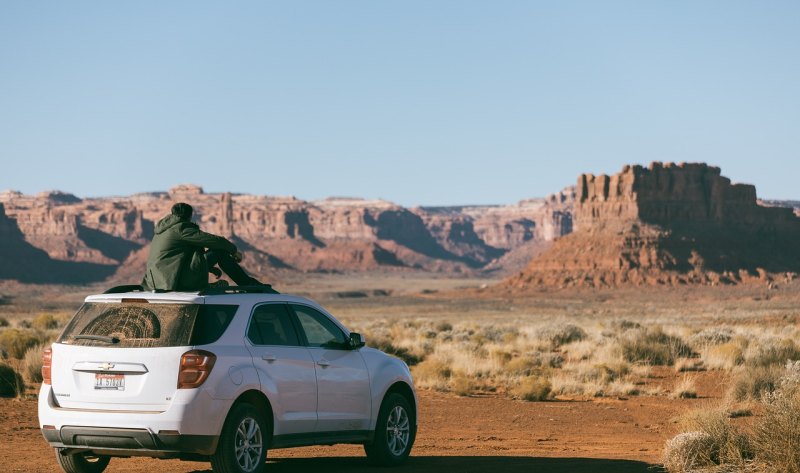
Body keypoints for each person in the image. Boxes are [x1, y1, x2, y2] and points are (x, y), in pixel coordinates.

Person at [142, 202, 263, 291]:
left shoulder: (164, 230)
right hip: (172, 281)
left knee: (216, 252)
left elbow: (177, 257)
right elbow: (215, 241)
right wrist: (234, 250)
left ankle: (207, 285)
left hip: (158, 281)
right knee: (219, 252)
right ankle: (249, 284)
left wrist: (208, 267)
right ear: (189, 216)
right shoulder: (181, 228)